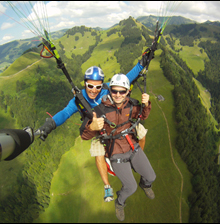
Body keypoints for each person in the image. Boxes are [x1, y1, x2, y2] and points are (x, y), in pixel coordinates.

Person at [38, 54, 149, 202]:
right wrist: (51, 124)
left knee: (141, 132)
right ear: (85, 84)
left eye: (98, 86)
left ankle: (137, 160)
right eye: (90, 86)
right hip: (96, 129)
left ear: (102, 84)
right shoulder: (79, 100)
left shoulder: (107, 89)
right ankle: (107, 186)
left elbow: (126, 79)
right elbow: (65, 113)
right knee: (98, 151)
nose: (94, 90)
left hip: (115, 125)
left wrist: (141, 64)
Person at [81, 74, 156, 221]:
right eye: (114, 91)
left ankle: (145, 185)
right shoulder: (99, 111)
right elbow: (84, 135)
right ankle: (120, 202)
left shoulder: (132, 105)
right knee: (130, 187)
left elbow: (143, 116)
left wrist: (146, 105)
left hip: (132, 146)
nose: (118, 95)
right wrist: (92, 126)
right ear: (110, 91)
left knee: (151, 176)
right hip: (115, 152)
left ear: (128, 91)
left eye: (122, 91)